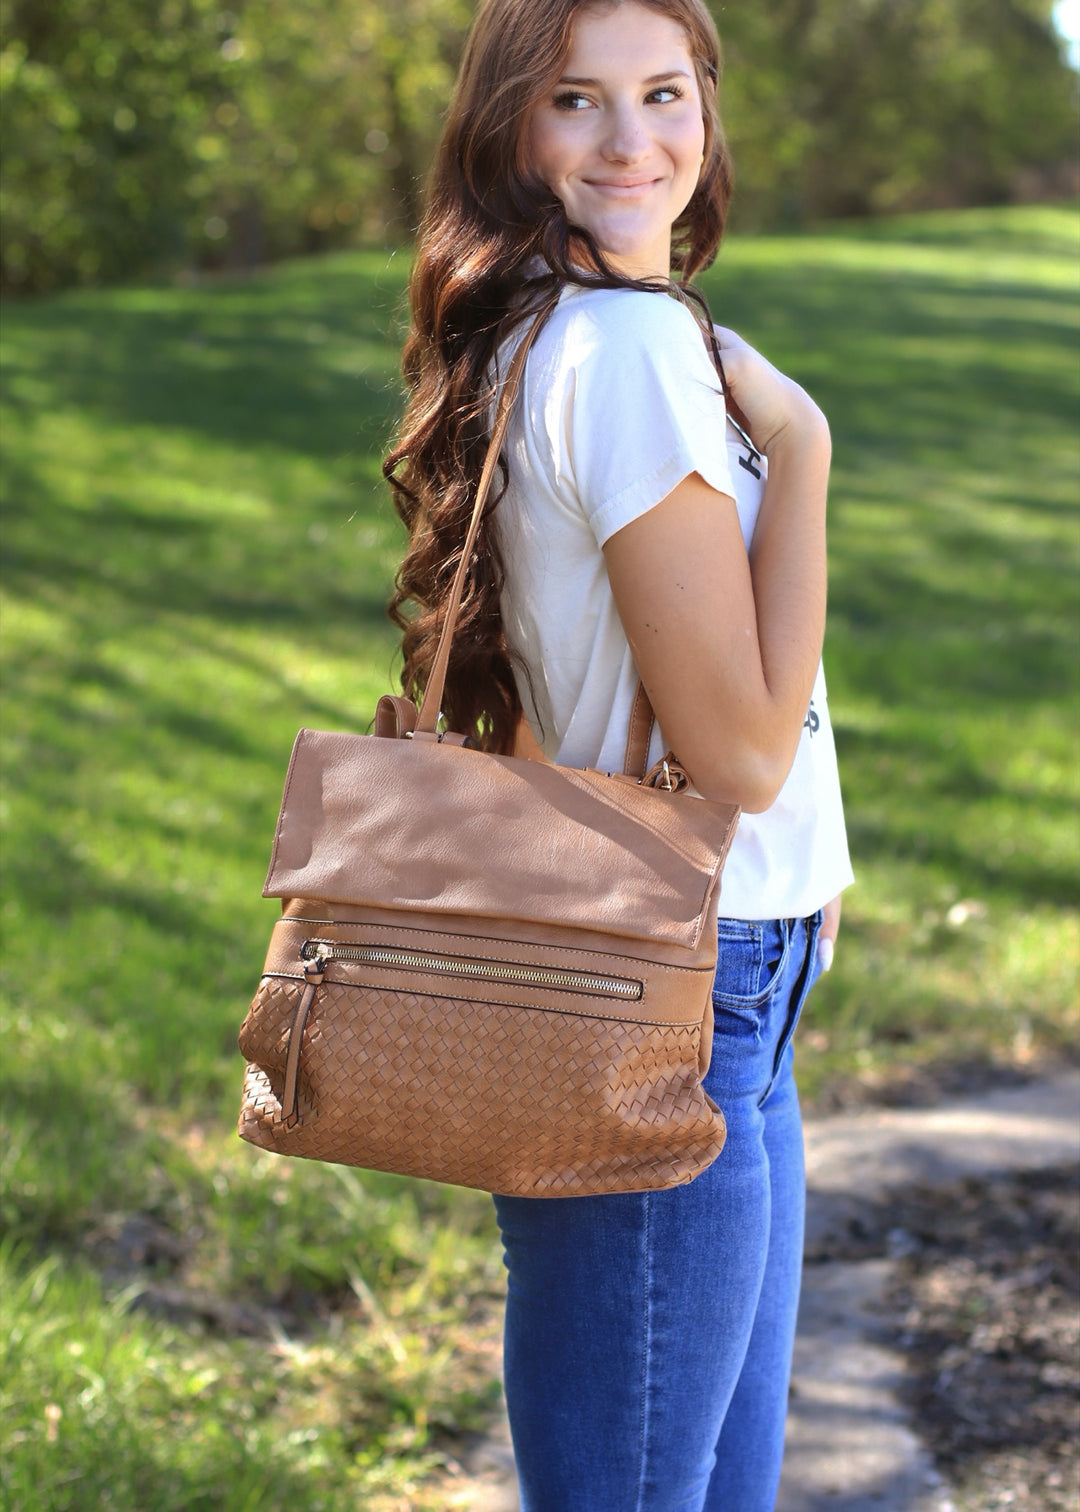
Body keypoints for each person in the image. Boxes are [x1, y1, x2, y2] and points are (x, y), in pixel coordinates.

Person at [384, 0, 854, 1506]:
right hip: (675, 984)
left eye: (664, 92)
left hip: (714, 967)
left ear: (710, 105)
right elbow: (739, 757)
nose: (633, 141)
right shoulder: (639, 350)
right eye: (577, 102)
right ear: (511, 125)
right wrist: (810, 451)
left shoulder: (538, 327)